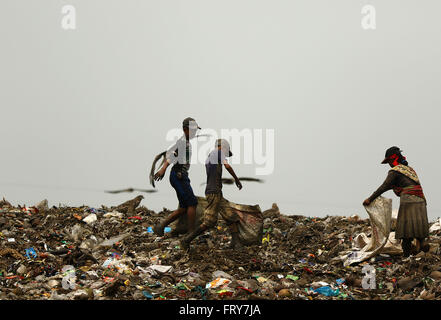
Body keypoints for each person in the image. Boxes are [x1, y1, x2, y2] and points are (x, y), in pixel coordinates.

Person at [363, 146, 429, 257]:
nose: (388, 164)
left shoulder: (395, 172)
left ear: (393, 159)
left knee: (405, 231)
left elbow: (384, 186)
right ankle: (423, 244)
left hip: (408, 200)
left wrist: (370, 199)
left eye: (388, 161)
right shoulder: (410, 170)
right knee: (419, 227)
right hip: (421, 200)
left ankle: (406, 256)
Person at [180, 139, 243, 250]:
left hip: (217, 192)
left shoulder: (211, 156)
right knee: (209, 221)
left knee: (230, 215)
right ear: (223, 147)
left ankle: (236, 242)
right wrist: (237, 179)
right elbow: (227, 166)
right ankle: (187, 240)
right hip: (213, 193)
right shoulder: (218, 152)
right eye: (226, 151)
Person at [152, 117, 201, 236]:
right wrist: (163, 169)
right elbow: (171, 156)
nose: (195, 132)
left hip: (180, 176)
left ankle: (160, 226)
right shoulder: (183, 142)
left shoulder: (186, 142)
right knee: (192, 203)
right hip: (179, 176)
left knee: (184, 207)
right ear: (185, 129)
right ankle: (190, 233)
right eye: (192, 129)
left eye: (196, 130)